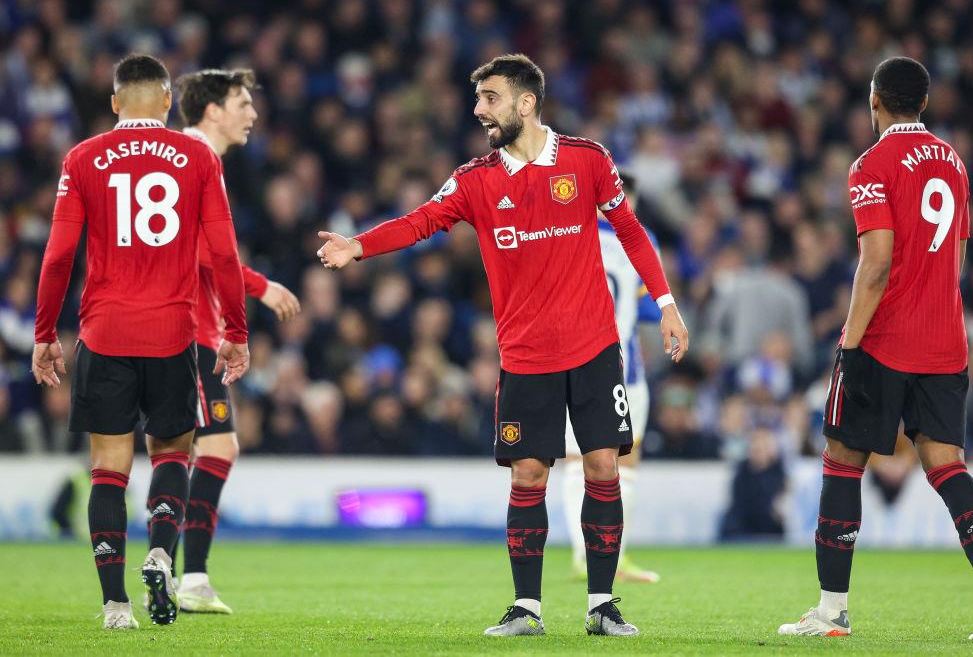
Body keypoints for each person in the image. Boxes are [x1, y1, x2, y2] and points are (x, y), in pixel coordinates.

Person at [317, 54, 688, 637]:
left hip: (594, 349)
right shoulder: (475, 179)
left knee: (602, 467)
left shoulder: (588, 160)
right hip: (525, 357)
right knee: (528, 477)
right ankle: (526, 608)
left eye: (489, 98)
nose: (478, 109)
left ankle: (602, 605)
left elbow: (632, 232)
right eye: (478, 99)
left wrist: (665, 304)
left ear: (526, 102)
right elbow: (421, 221)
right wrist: (359, 246)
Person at [778, 57, 973, 641]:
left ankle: (831, 611)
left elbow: (877, 262)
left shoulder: (871, 165)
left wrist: (849, 341)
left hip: (885, 341)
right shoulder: (953, 162)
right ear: (925, 103)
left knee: (842, 460)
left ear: (874, 101)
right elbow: (957, 257)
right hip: (946, 340)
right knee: (947, 465)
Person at [32, 54, 250, 630]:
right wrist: (235, 331)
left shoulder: (82, 158)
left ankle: (115, 606)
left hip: (104, 333)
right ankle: (160, 553)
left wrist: (45, 333)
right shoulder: (197, 157)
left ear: (114, 103)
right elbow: (224, 254)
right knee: (173, 453)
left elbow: (58, 256)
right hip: (174, 334)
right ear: (167, 101)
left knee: (108, 469)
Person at [172, 68, 301, 614]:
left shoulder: (178, 156)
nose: (252, 114)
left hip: (167, 324)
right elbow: (209, 253)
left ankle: (174, 571)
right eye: (242, 103)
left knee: (181, 450)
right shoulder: (199, 158)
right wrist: (261, 288)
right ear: (212, 111)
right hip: (191, 329)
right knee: (214, 447)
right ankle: (189, 577)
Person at [562, 170, 663, 584]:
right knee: (626, 464)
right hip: (626, 368)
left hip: (573, 362)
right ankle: (614, 557)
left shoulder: (568, 233)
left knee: (576, 462)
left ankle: (582, 556)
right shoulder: (639, 238)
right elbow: (650, 308)